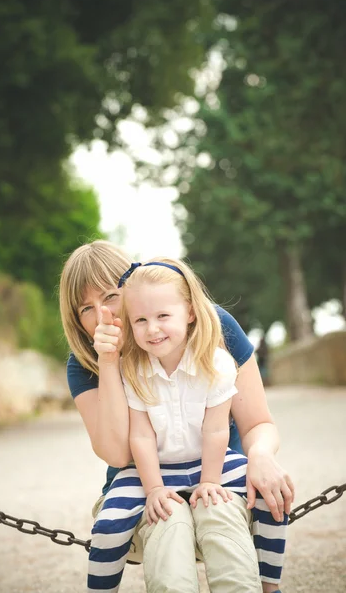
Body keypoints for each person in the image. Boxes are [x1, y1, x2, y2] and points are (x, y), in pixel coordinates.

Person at [59, 240, 294, 593]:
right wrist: (109, 364)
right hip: (145, 475)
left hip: (213, 471)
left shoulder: (213, 327)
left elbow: (257, 422)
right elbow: (119, 454)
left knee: (225, 517)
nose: (100, 315)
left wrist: (260, 455)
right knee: (167, 531)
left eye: (110, 296)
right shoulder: (85, 363)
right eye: (85, 309)